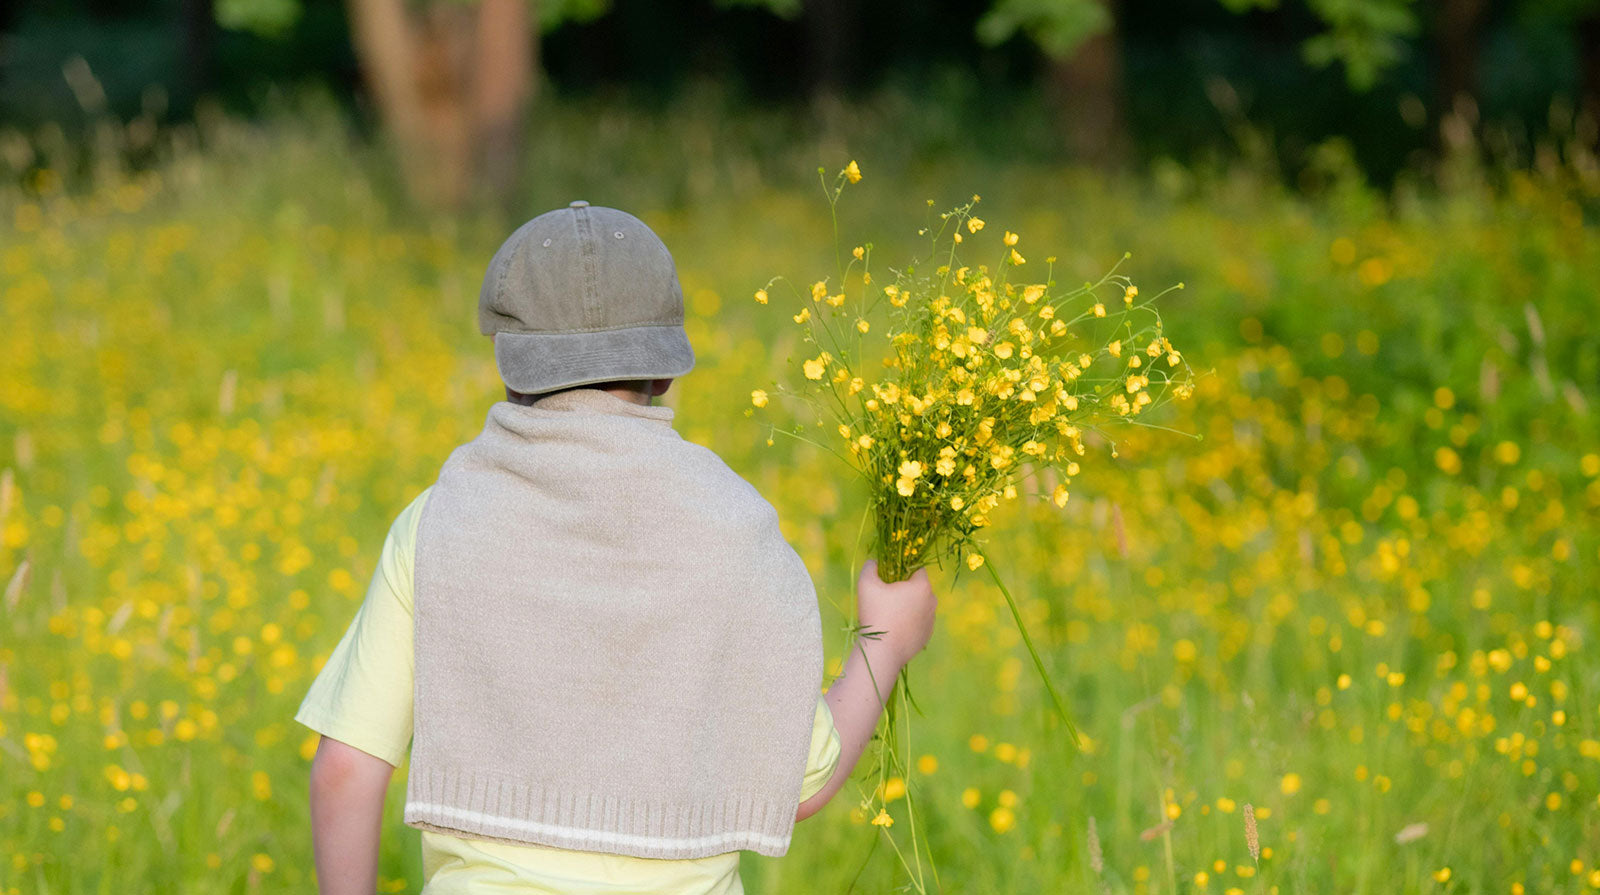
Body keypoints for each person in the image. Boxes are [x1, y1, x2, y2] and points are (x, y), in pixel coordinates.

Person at [294, 200, 938, 895]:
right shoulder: (736, 528)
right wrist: (885, 640)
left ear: (509, 365)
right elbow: (796, 780)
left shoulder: (438, 522)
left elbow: (344, 770)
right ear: (666, 371)